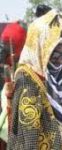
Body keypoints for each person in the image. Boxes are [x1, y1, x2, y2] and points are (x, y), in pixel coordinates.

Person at [7, 9, 62, 150]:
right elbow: (32, 131)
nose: (60, 60)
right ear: (40, 47)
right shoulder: (26, 78)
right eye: (54, 52)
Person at [0, 20, 27, 150]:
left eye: (6, 45)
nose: (2, 49)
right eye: (2, 44)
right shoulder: (5, 65)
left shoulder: (24, 70)